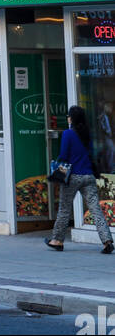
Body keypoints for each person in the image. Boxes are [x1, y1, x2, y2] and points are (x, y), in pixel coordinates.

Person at [46, 105, 114, 254]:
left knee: (64, 209)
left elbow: (64, 155)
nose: (67, 118)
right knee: (95, 210)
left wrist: (57, 165)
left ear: (71, 119)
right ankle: (107, 241)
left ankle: (57, 240)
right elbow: (92, 153)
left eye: (68, 116)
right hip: (88, 176)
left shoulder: (68, 134)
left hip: (73, 177)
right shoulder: (87, 134)